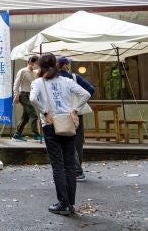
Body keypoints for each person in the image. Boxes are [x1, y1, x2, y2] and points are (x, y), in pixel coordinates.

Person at [30, 53, 90, 216]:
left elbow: (33, 98)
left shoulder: (38, 82)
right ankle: (70, 203)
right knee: (70, 164)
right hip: (68, 124)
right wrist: (75, 110)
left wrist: (45, 112)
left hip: (51, 125)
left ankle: (63, 203)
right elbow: (86, 94)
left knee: (58, 165)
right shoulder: (66, 80)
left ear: (41, 67)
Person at [57, 56, 95, 182]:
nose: (69, 65)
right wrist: (78, 105)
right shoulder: (74, 77)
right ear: (65, 65)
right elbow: (91, 89)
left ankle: (75, 171)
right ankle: (77, 170)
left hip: (62, 114)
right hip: (77, 113)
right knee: (78, 142)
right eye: (68, 63)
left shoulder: (53, 79)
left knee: (65, 141)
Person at [12, 56, 40, 141]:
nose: (38, 65)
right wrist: (16, 95)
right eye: (37, 63)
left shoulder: (35, 73)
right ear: (31, 62)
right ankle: (36, 134)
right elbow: (16, 84)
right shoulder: (23, 71)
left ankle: (17, 135)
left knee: (26, 117)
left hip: (31, 95)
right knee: (33, 114)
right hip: (23, 94)